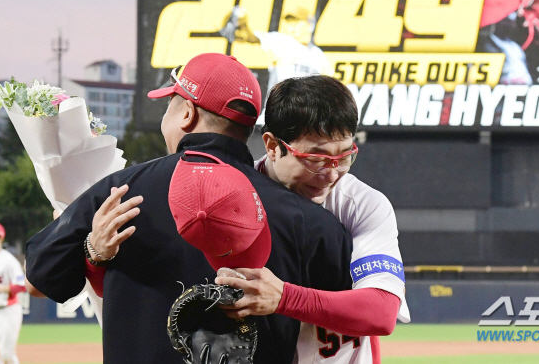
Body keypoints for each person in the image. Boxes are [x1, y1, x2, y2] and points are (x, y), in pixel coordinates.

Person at [24, 53, 352, 364]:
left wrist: (92, 250)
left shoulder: (119, 195)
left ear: (186, 113)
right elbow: (340, 328)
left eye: (170, 104)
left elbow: (40, 281)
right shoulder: (312, 222)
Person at [216, 75, 410, 363]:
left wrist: (284, 298)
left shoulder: (361, 204)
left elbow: (381, 313)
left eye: (343, 156)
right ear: (271, 145)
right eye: (315, 158)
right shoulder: (231, 197)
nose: (330, 174)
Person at [0, 222, 26, 364]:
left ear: (0, 238)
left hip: (8, 312)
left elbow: (22, 286)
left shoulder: (8, 261)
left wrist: (1, 288)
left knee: (7, 355)